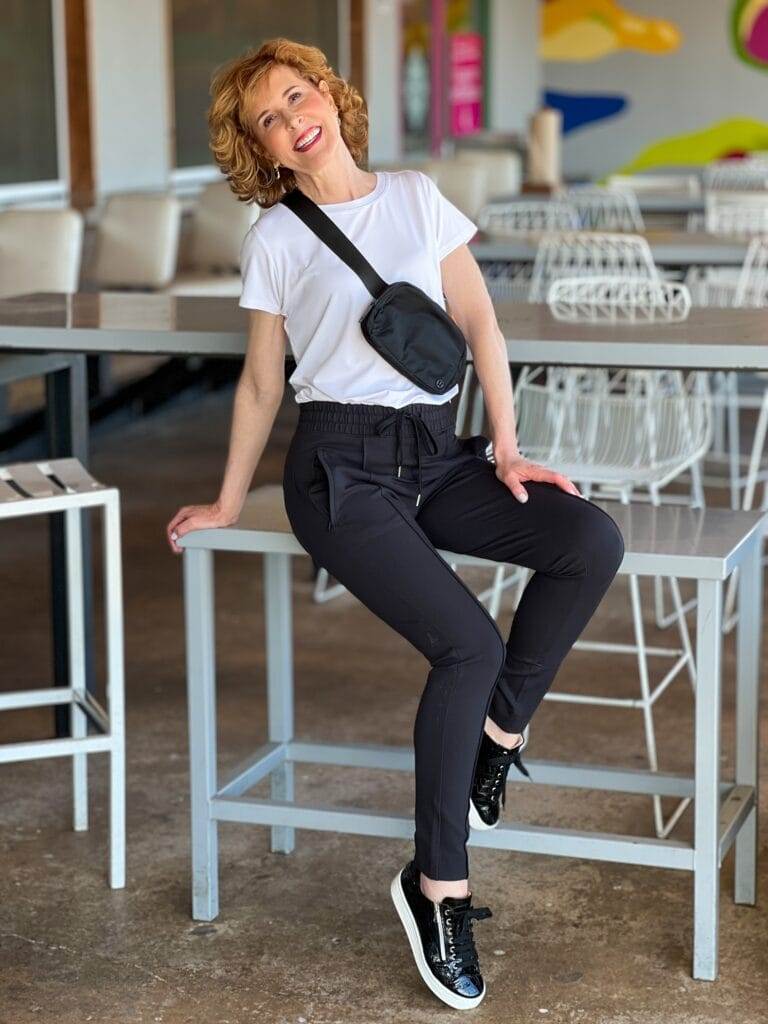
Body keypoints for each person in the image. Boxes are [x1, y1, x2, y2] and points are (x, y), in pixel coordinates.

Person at [166, 36, 625, 1011]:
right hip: (340, 473)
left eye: (299, 94)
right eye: (270, 118)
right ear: (266, 151)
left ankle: (497, 738)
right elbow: (258, 384)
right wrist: (225, 494)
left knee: (588, 540)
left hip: (439, 455)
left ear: (328, 92)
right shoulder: (277, 240)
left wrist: (506, 446)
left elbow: (482, 324)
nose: (295, 118)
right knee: (465, 642)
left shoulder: (418, 197)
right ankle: (437, 885)